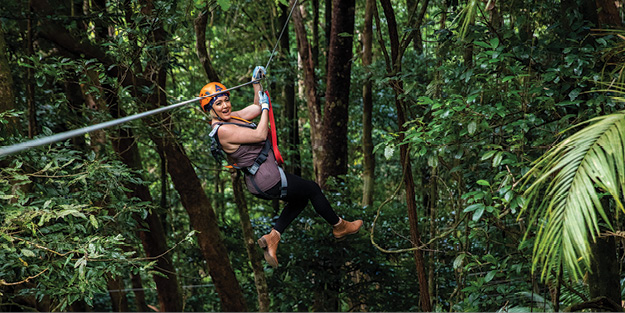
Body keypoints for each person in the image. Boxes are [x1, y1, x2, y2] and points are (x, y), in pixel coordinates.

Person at [199, 66, 363, 268]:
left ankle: (273, 237)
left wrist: (256, 83)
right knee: (312, 189)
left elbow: (256, 108)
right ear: (209, 109)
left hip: (263, 179)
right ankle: (339, 226)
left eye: (226, 100)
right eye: (219, 103)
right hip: (266, 179)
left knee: (300, 200)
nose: (225, 106)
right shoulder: (222, 131)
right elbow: (260, 134)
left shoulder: (232, 117)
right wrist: (267, 108)